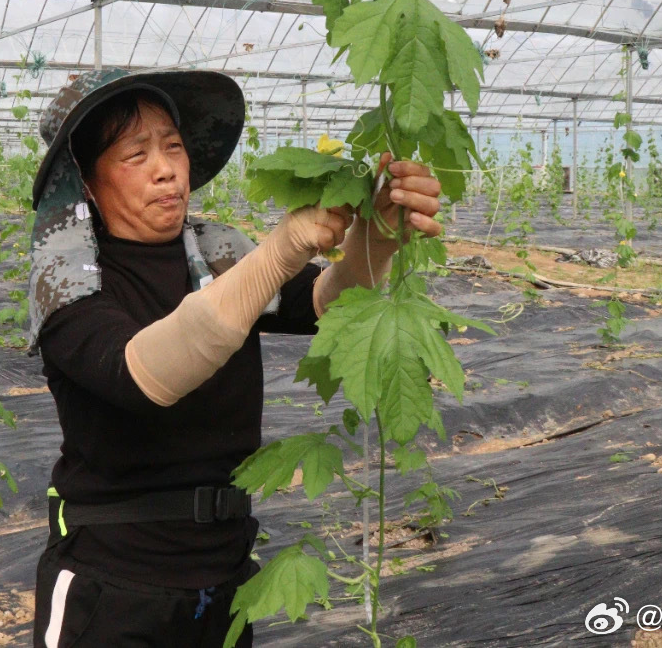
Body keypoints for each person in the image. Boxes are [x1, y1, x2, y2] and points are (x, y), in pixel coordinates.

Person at [25, 68, 443, 648]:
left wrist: (377, 238)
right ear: (87, 183)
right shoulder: (68, 280)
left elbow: (325, 301)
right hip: (115, 586)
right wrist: (277, 253)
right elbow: (143, 372)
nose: (165, 167)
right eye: (134, 154)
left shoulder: (216, 252)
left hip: (224, 577)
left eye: (173, 146)